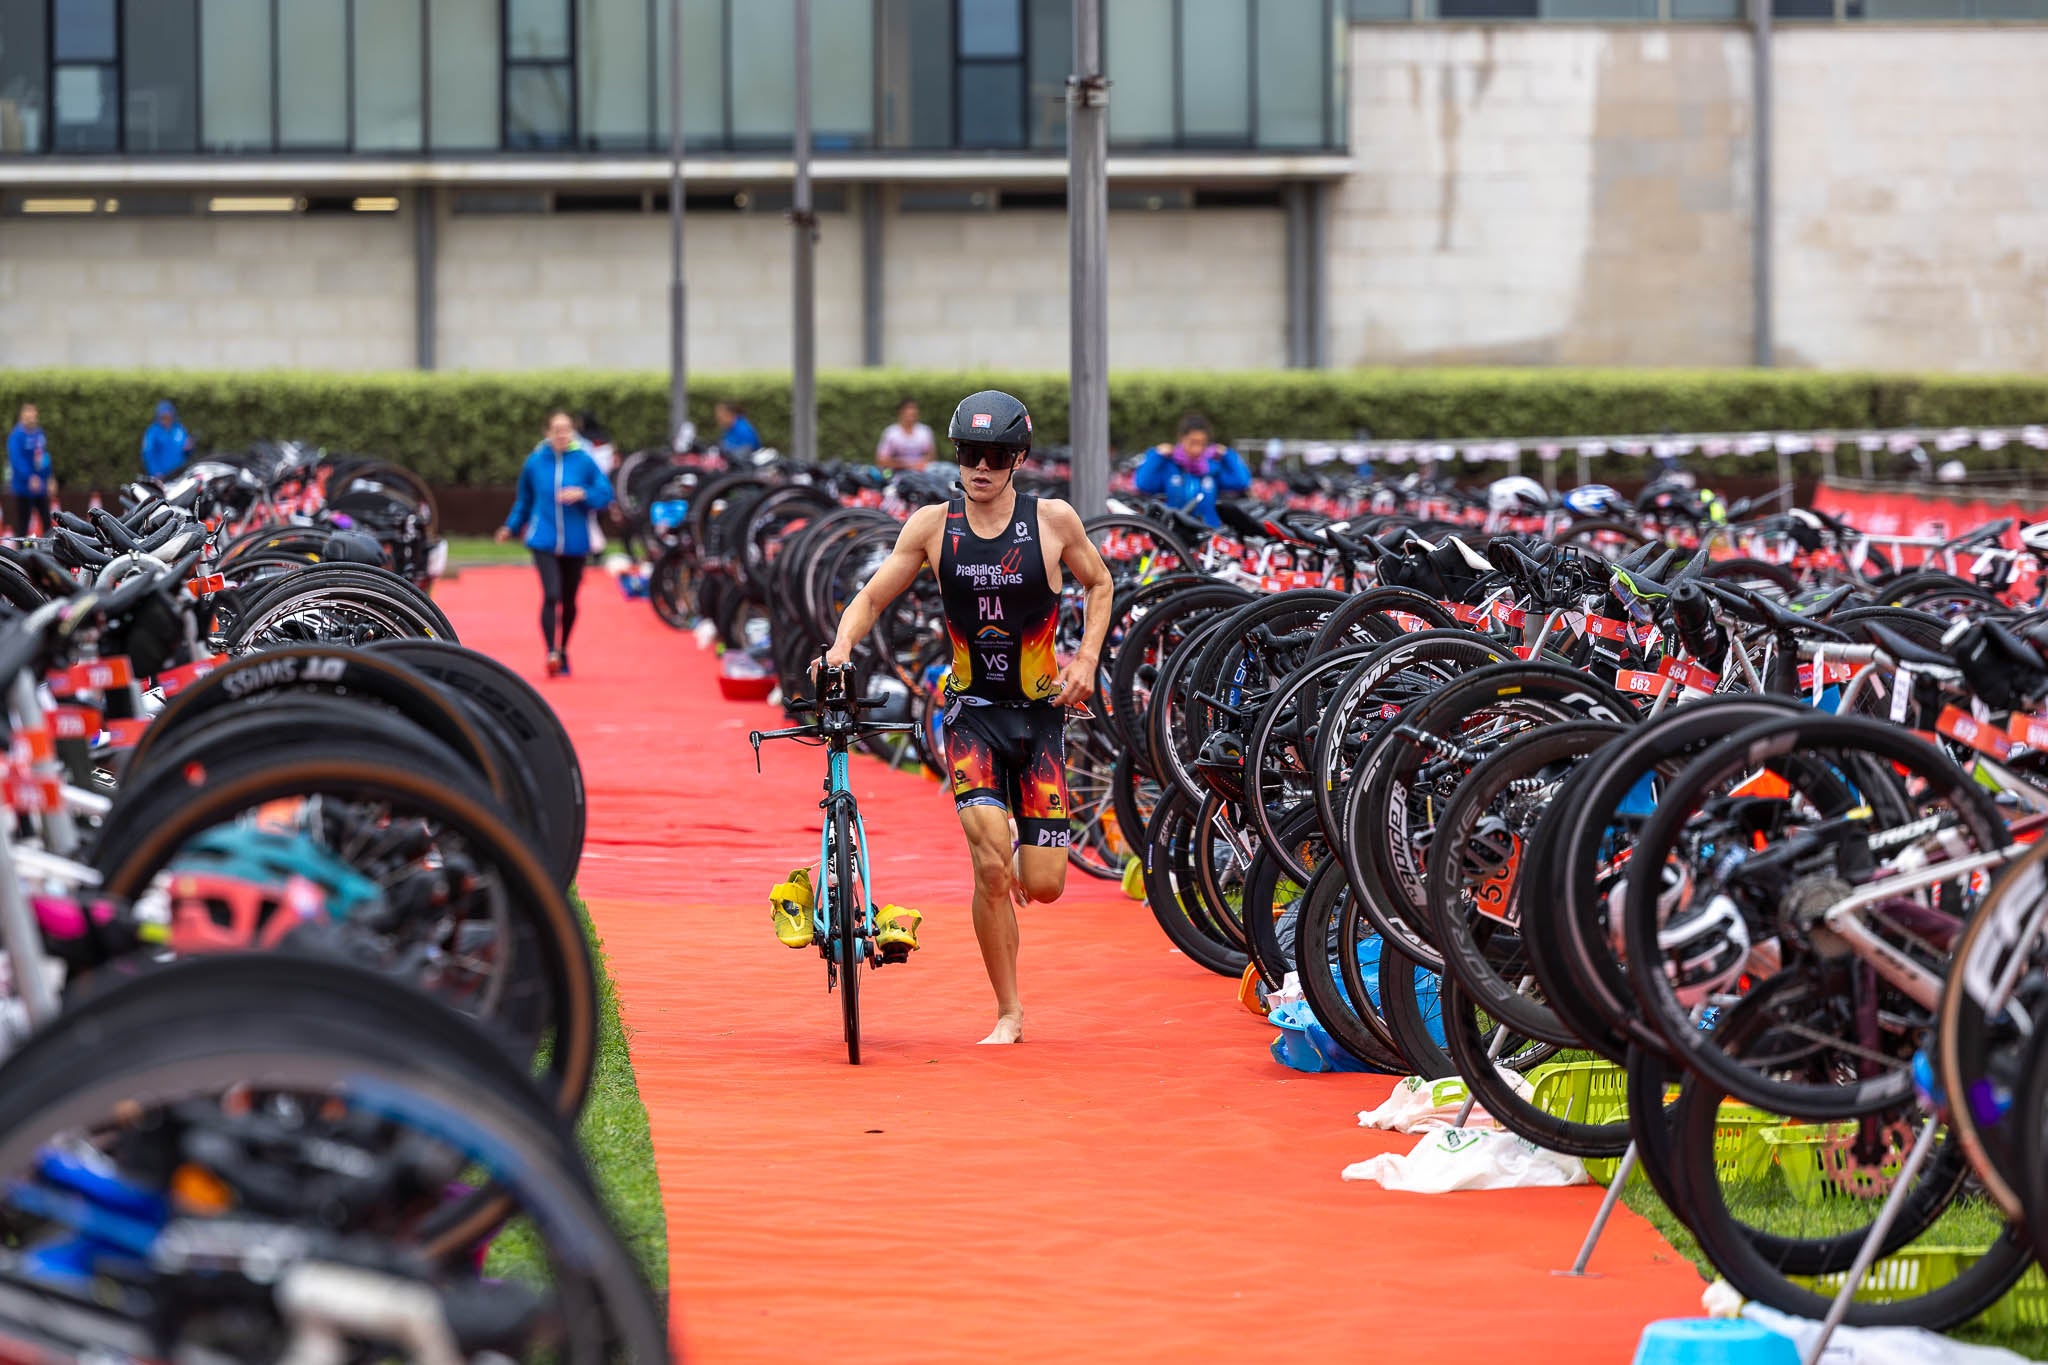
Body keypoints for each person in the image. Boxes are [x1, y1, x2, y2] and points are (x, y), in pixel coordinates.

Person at [813, 390, 1114, 1046]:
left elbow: (1100, 583)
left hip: (1038, 721)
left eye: (996, 455)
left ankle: (1019, 869)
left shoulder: (1053, 522)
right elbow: (870, 596)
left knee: (1046, 882)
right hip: (971, 715)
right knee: (988, 865)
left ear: (1019, 460)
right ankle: (1008, 1009)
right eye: (969, 454)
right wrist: (840, 647)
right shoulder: (931, 526)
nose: (980, 466)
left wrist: (1087, 657)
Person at [496, 410, 615, 678]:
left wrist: (583, 493)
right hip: (543, 539)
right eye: (557, 430)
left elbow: (605, 493)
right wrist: (510, 526)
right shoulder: (535, 462)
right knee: (551, 595)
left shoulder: (585, 460)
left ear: (572, 432)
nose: (562, 435)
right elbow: (524, 500)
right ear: (547, 432)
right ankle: (550, 650)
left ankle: (563, 650)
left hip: (576, 541)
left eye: (566, 430)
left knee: (570, 600)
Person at [1131, 412, 1251, 528]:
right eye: (1192, 442)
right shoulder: (1170, 466)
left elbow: (1242, 481)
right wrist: (1156, 455)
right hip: (1175, 534)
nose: (1197, 449)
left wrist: (1227, 454)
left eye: (1202, 444)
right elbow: (1142, 483)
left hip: (1207, 532)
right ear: (1182, 439)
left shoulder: (1213, 469)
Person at [6, 403, 52, 539]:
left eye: (33, 416)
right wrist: (30, 478)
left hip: (41, 487)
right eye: (28, 416)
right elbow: (16, 460)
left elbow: (43, 456)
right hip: (24, 488)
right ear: (22, 416)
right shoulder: (16, 436)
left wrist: (49, 477)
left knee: (46, 521)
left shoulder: (39, 433)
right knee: (23, 523)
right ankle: (20, 554)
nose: (31, 419)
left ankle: (49, 552)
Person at [875, 398, 935, 472]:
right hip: (897, 473)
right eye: (908, 413)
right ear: (900, 413)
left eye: (913, 414)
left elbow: (931, 456)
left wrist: (921, 463)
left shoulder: (925, 431)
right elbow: (881, 460)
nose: (911, 417)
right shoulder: (890, 433)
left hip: (922, 472)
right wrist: (908, 465)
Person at [141, 400, 191, 480]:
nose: (166, 420)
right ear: (158, 417)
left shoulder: (179, 429)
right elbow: (148, 454)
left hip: (180, 474)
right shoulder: (152, 432)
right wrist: (155, 472)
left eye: (168, 417)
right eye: (163, 417)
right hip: (162, 476)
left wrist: (189, 448)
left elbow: (187, 451)